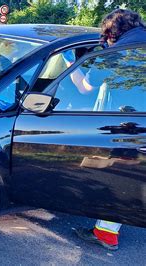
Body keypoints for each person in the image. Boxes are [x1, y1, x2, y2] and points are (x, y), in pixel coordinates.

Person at [71, 9, 146, 251]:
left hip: (128, 124)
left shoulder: (117, 53)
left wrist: (73, 65)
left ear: (112, 33)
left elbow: (84, 88)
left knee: (117, 176)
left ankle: (106, 234)